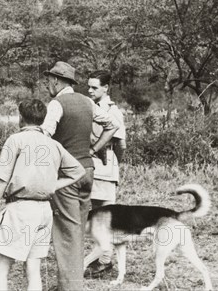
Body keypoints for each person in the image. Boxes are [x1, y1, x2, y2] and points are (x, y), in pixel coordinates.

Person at [0, 99, 86, 291]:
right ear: (42, 119)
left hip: (20, 210)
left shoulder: (15, 140)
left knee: (1, 268)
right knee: (33, 269)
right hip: (44, 211)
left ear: (21, 118)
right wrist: (52, 185)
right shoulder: (53, 144)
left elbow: (1, 181)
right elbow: (79, 171)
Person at [40, 61, 121, 291]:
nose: (47, 85)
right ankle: (68, 282)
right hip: (88, 173)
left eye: (49, 81)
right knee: (76, 231)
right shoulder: (87, 101)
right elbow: (112, 125)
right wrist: (93, 150)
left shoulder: (57, 104)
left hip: (67, 175)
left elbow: (45, 136)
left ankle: (70, 287)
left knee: (66, 233)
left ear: (56, 80)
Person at [84, 70, 127, 278]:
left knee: (105, 216)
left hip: (104, 167)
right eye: (89, 86)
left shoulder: (112, 111)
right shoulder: (89, 106)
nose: (90, 90)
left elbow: (121, 144)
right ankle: (99, 257)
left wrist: (112, 163)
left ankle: (105, 261)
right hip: (88, 167)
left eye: (94, 87)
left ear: (106, 88)